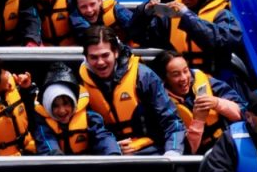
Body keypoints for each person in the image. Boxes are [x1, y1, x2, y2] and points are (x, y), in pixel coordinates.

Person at [140, 0, 247, 94]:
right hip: (181, 83)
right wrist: (145, 13)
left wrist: (187, 16)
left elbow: (225, 41)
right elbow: (142, 35)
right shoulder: (171, 13)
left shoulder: (222, 14)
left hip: (218, 82)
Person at [78, 26, 184, 156]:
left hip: (150, 152)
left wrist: (172, 152)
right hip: (107, 157)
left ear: (116, 52)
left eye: (105, 55)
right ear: (86, 57)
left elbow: (172, 121)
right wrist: (112, 149)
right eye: (93, 57)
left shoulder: (143, 76)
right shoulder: (80, 85)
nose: (100, 62)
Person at [152, 50, 243, 154]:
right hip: (201, 156)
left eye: (185, 71)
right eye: (176, 74)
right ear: (164, 78)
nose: (183, 78)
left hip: (230, 142)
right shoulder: (161, 104)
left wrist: (217, 103)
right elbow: (185, 151)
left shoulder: (209, 83)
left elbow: (244, 113)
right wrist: (198, 121)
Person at [34, 63, 121, 155]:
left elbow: (103, 137)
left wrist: (113, 152)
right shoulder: (43, 124)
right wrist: (57, 159)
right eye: (55, 106)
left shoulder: (90, 118)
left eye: (66, 103)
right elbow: (47, 143)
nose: (62, 110)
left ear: (74, 102)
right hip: (58, 167)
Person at [68, 0, 136, 43]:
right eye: (83, 7)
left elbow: (139, 29)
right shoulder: (75, 18)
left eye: (92, 4)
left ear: (100, 1)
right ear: (77, 8)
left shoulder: (117, 11)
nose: (89, 10)